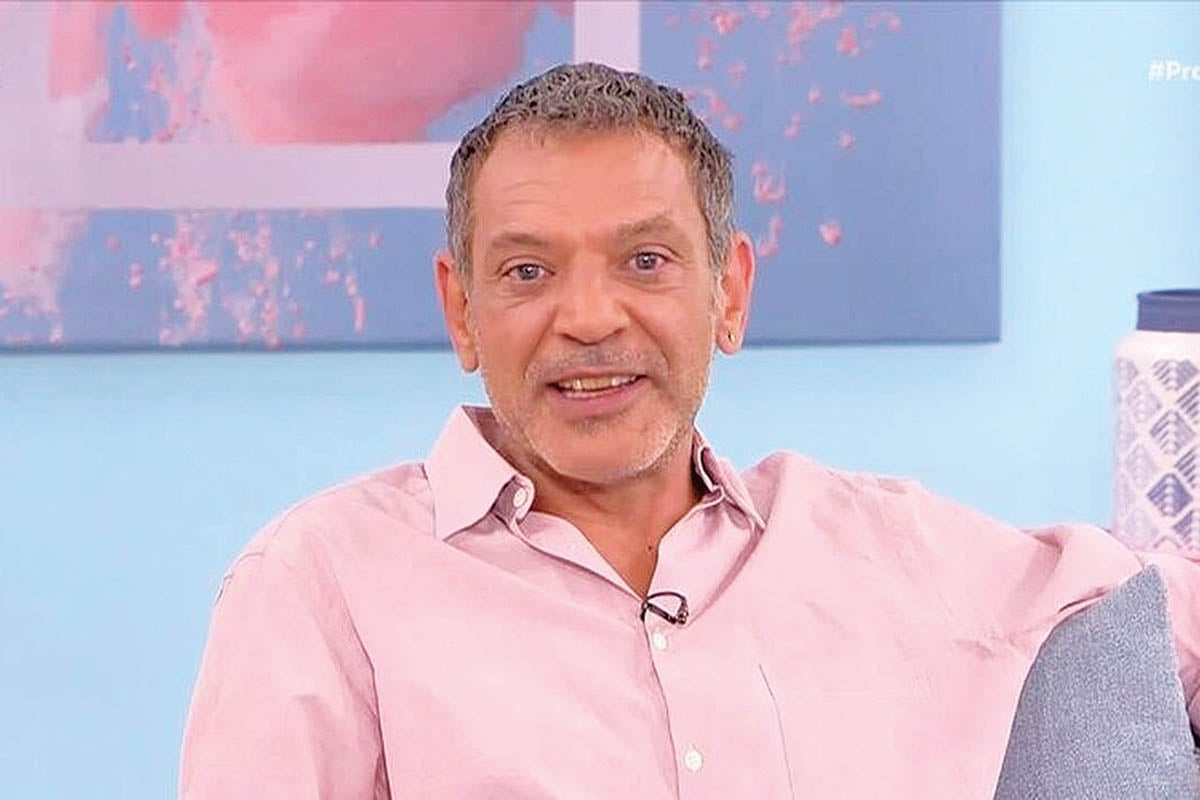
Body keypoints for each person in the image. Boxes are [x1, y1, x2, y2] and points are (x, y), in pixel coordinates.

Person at [179, 62, 1200, 798]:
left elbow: (1154, 608)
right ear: (462, 310)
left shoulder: (894, 547)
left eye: (646, 261)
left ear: (729, 294)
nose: (589, 318)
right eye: (528, 270)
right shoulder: (322, 583)